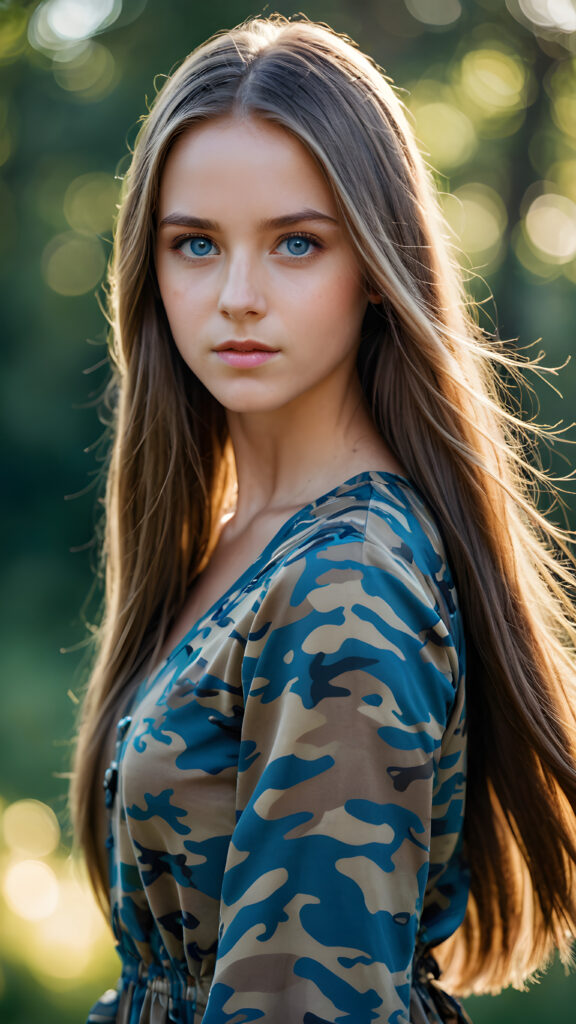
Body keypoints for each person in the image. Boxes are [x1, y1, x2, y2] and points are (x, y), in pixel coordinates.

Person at [70, 13, 576, 1024]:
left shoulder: (345, 580)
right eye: (196, 245)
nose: (238, 296)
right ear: (149, 267)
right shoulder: (239, 546)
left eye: (297, 243)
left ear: (378, 270)